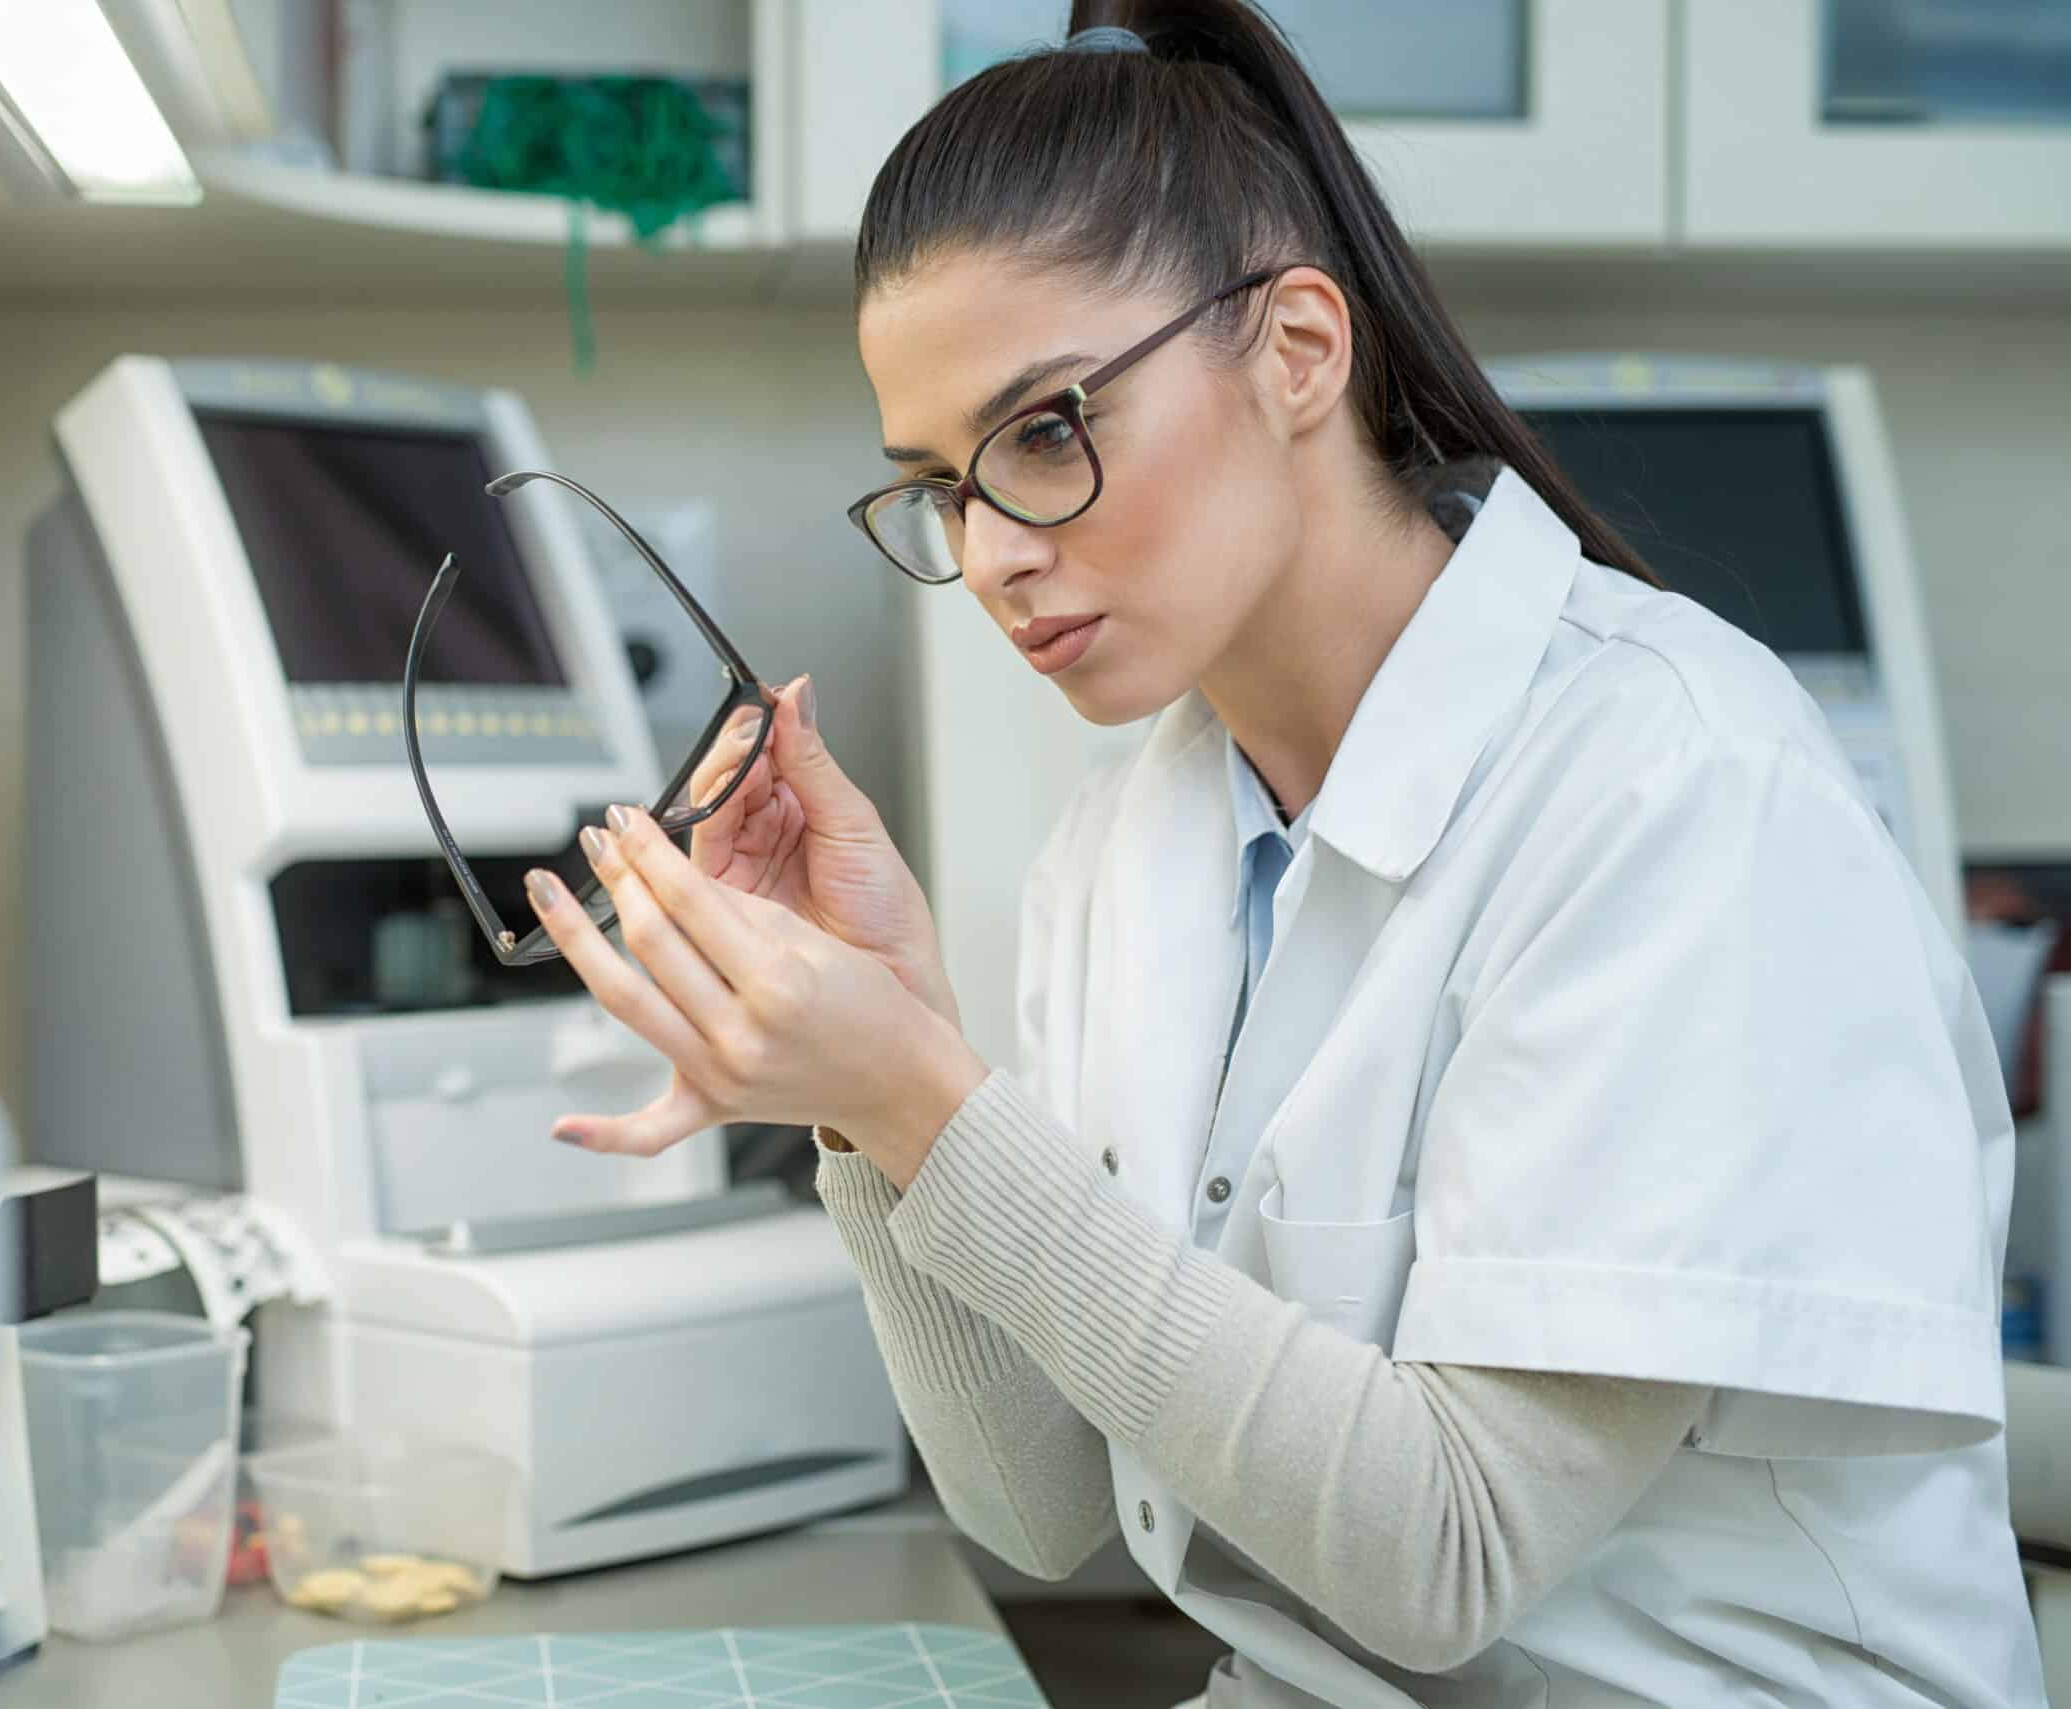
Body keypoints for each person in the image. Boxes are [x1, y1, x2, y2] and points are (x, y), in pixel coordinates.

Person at [516, 3, 2043, 1703]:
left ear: (1300, 349)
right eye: (942, 487)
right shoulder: (1129, 847)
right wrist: (877, 1083)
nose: (998, 551)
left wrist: (928, 1100)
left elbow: (1449, 1550)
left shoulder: (1671, 786)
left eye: (1045, 432)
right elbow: (1044, 1507)